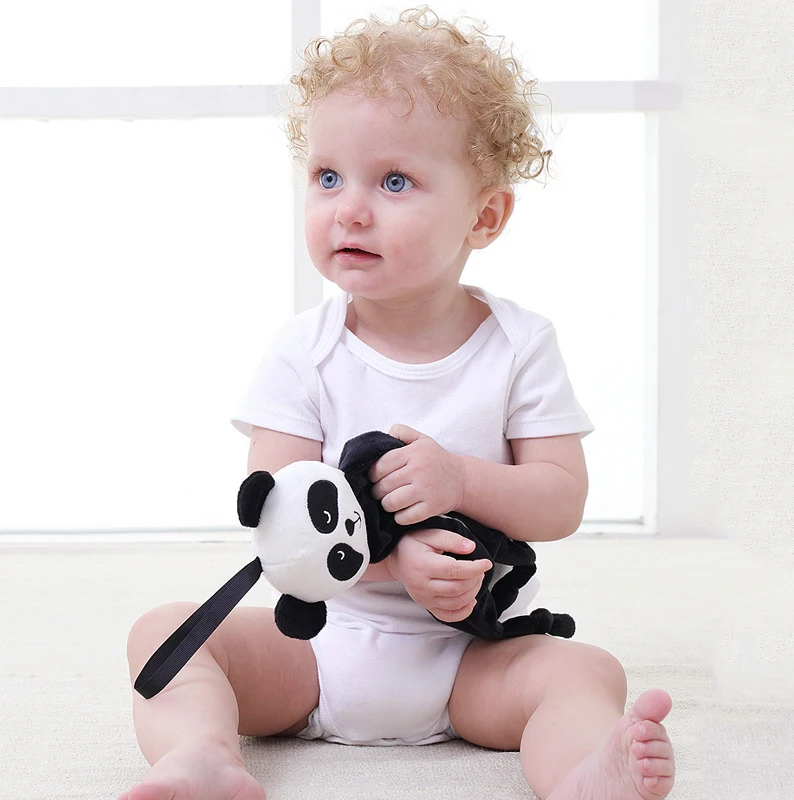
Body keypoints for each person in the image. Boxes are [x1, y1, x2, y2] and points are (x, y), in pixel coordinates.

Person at [118, 7, 675, 800]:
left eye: (393, 181)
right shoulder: (304, 352)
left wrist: (463, 480)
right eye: (328, 177)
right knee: (164, 634)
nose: (349, 208)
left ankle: (584, 774)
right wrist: (390, 563)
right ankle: (201, 756)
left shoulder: (519, 345)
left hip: (473, 655)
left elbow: (561, 498)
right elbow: (277, 522)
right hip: (316, 644)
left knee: (586, 671)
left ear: (484, 215)